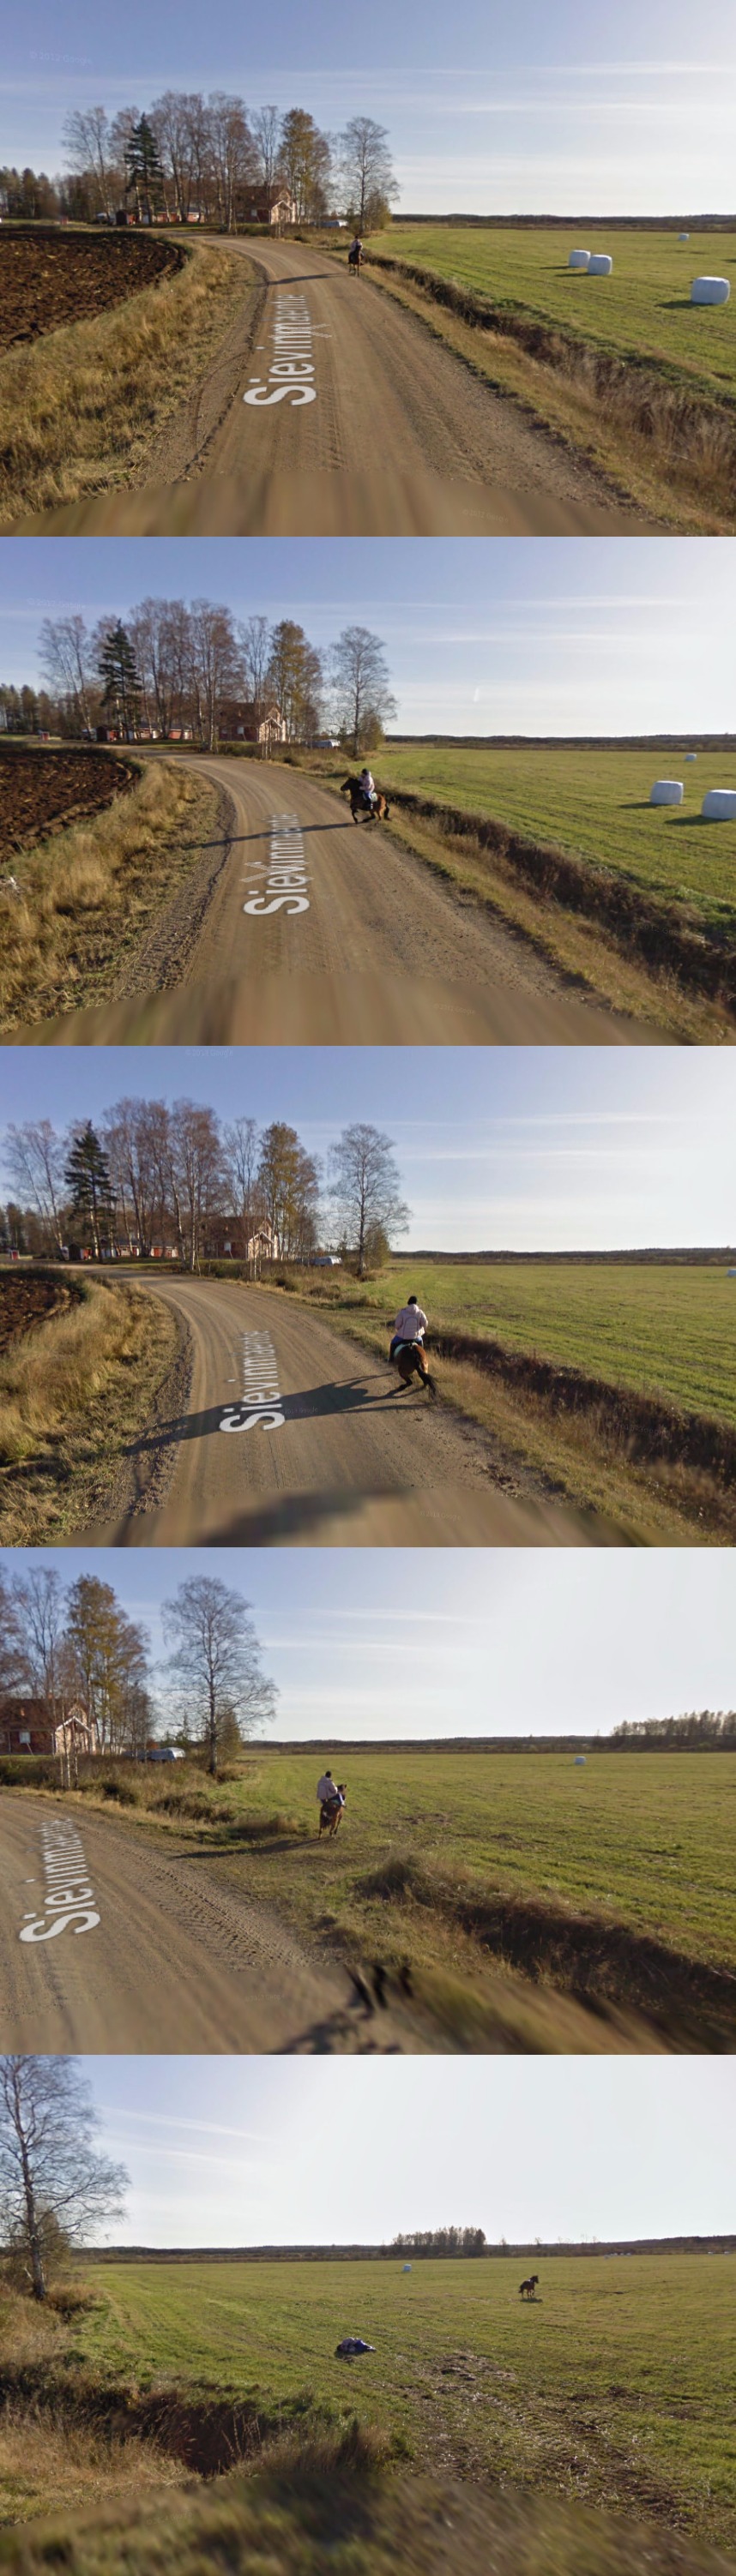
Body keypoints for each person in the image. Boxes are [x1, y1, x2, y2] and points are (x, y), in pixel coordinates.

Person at [389, 1292, 428, 1363]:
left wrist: (400, 1329)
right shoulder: (420, 1312)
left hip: (403, 1337)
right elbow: (425, 1324)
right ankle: (422, 1360)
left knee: (393, 1343)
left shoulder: (402, 1312)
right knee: (421, 1344)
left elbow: (397, 1325)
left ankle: (391, 1359)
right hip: (416, 1337)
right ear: (416, 1303)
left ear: (409, 1303)